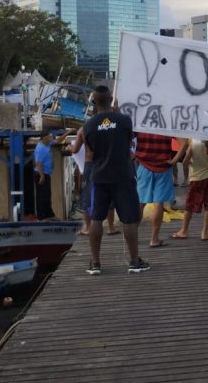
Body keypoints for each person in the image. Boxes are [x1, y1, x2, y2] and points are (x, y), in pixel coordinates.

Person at [83, 85, 150, 275]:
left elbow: (90, 150)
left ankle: (95, 263)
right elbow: (129, 142)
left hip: (99, 176)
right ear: (111, 99)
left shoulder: (88, 125)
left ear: (94, 102)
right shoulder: (124, 120)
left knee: (96, 218)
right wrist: (117, 113)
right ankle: (134, 261)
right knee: (129, 219)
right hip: (123, 175)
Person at [69, 127, 120, 236]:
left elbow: (75, 150)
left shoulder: (84, 129)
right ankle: (110, 227)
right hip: (106, 164)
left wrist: (70, 147)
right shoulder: (110, 127)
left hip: (91, 165)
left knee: (88, 197)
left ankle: (87, 228)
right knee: (109, 195)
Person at [134, 130, 178, 248]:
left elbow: (125, 139)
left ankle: (132, 237)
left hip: (144, 166)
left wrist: (133, 155)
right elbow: (184, 142)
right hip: (163, 167)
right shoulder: (168, 123)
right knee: (158, 204)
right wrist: (175, 160)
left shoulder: (141, 123)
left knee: (140, 202)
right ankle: (154, 239)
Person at [171, 137, 208, 241]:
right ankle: (205, 232)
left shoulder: (194, 141)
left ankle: (184, 230)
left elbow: (185, 162)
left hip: (196, 177)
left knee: (189, 204)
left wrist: (191, 164)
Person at [31, 130, 57, 220]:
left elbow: (59, 140)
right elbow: (38, 163)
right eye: (49, 136)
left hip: (46, 174)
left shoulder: (47, 144)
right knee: (42, 195)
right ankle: (42, 216)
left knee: (47, 194)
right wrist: (41, 176)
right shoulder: (41, 148)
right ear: (44, 137)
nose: (51, 138)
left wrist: (68, 133)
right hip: (41, 174)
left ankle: (49, 214)